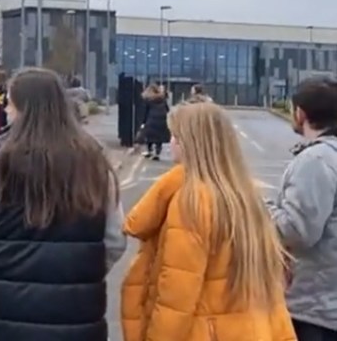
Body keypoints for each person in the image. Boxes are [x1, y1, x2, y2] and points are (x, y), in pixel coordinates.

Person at [0, 68, 125, 340]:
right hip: (75, 316)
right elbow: (114, 241)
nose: (5, 110)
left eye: (9, 102)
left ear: (21, 108)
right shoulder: (94, 164)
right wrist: (81, 273)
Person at [121, 102, 296, 341]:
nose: (171, 143)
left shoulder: (192, 202)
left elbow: (177, 296)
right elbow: (271, 294)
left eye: (176, 137)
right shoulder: (247, 197)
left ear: (191, 144)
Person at [265, 76, 337, 339]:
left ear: (300, 113)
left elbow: (296, 232)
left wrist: (261, 208)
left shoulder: (316, 160)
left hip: (314, 309)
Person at [140, 83, 170, 160]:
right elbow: (167, 110)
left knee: (149, 136)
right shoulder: (162, 99)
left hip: (151, 119)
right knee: (159, 138)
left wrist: (143, 123)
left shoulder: (148, 100)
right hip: (162, 119)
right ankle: (157, 153)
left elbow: (145, 112)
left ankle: (149, 151)